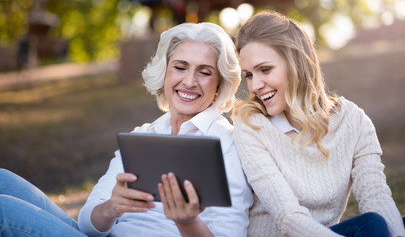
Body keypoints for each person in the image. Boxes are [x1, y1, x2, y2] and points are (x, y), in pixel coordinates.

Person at [0, 22, 253, 237]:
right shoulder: (144, 134)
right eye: (180, 67)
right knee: (3, 179)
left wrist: (186, 221)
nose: (189, 81)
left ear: (219, 85)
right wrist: (112, 208)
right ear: (165, 72)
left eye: (204, 72)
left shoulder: (226, 143)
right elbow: (87, 222)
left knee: (4, 212)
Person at [232, 11, 405, 237]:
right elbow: (288, 217)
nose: (254, 86)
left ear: (297, 63)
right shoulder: (251, 126)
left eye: (265, 70)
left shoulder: (353, 121)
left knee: (393, 224)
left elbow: (375, 196)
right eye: (249, 75)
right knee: (371, 226)